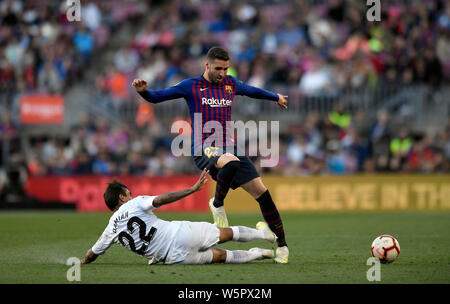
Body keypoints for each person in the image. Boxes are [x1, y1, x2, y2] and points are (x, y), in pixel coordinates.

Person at [132, 47, 289, 263]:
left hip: (228, 145)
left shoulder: (230, 84)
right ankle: (217, 203)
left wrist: (275, 97)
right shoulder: (191, 86)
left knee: (262, 192)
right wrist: (143, 92)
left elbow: (252, 90)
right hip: (203, 146)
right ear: (207, 65)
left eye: (226, 69)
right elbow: (159, 97)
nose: (222, 73)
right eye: (218, 68)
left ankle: (282, 245)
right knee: (230, 163)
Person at [80, 169, 276, 265]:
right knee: (225, 233)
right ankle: (264, 234)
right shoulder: (134, 203)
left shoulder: (109, 231)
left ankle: (257, 254)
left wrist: (80, 263)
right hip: (180, 234)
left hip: (173, 258)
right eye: (128, 193)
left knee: (220, 256)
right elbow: (162, 199)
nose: (131, 195)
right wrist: (191, 189)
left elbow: (91, 254)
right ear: (122, 197)